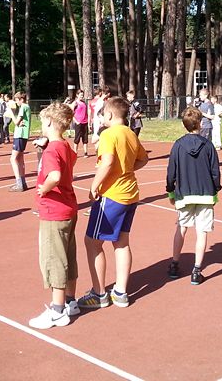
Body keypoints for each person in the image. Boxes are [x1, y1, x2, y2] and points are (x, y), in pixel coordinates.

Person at [78, 97, 148, 309]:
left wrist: (94, 185)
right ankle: (120, 291)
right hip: (130, 193)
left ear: (109, 115)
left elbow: (107, 162)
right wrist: (126, 171)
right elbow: (143, 159)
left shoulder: (108, 134)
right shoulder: (130, 133)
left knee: (92, 242)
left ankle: (99, 293)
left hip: (112, 195)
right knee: (122, 242)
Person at [28, 102, 80, 329]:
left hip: (54, 211)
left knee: (53, 258)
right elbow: (69, 160)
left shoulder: (51, 150)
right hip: (68, 208)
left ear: (49, 122)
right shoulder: (64, 146)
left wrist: (44, 188)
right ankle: (70, 301)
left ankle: (57, 310)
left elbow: (55, 175)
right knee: (68, 255)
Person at [166, 107, 222, 285]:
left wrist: (170, 190)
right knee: (202, 231)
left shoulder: (178, 145)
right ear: (200, 123)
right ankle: (196, 270)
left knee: (181, 227)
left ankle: (175, 264)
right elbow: (215, 171)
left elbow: (171, 171)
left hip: (185, 194)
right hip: (205, 193)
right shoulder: (208, 145)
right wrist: (215, 189)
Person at [9, 92, 31, 191]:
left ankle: (19, 182)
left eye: (17, 100)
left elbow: (16, 122)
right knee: (20, 158)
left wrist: (11, 113)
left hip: (20, 135)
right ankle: (23, 182)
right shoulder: (27, 107)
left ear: (21, 99)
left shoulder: (23, 107)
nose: (16, 102)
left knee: (13, 158)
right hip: (23, 135)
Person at [72, 89, 89, 157]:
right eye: (81, 95)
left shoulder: (84, 103)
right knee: (77, 138)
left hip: (85, 122)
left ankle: (85, 152)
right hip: (78, 123)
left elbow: (86, 112)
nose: (82, 96)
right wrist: (76, 121)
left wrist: (88, 120)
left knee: (85, 138)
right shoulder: (75, 103)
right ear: (77, 95)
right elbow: (71, 113)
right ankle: (75, 152)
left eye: (82, 95)